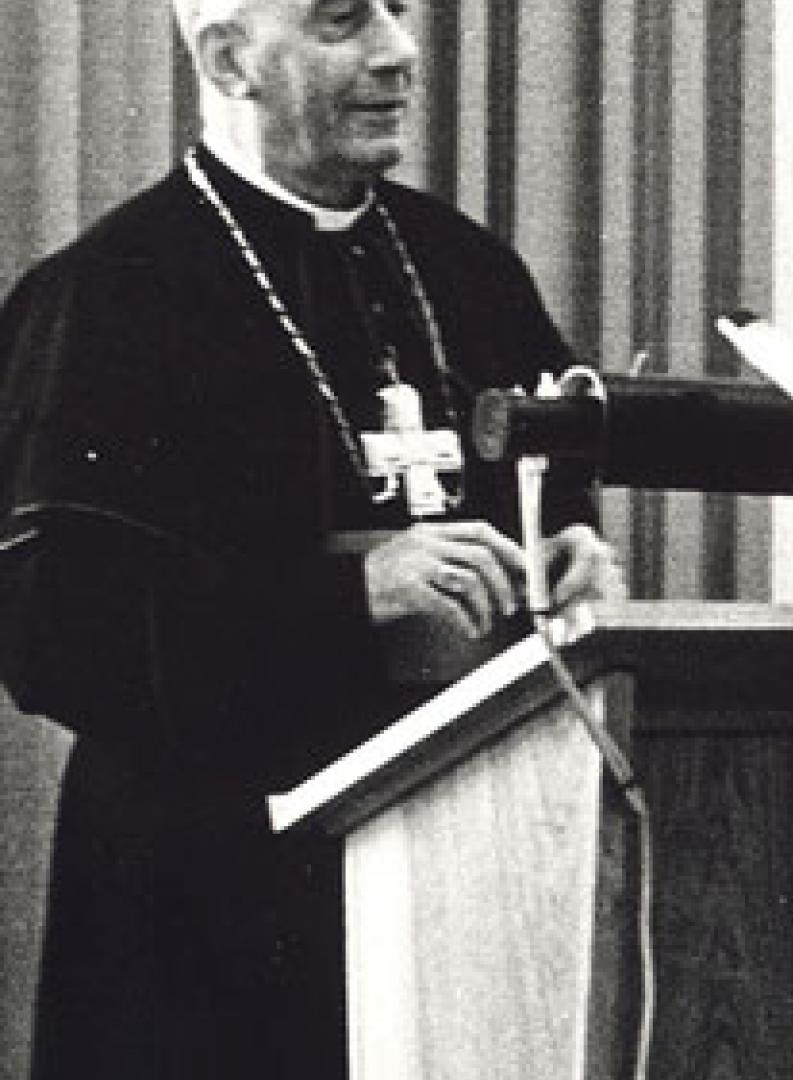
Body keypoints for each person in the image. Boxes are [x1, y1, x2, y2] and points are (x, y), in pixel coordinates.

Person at [0, 2, 619, 1077]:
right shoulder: (109, 292)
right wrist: (352, 596)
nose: (398, 51)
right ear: (230, 58)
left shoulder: (465, 267)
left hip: (464, 878)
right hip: (202, 914)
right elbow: (51, 629)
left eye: (396, 12)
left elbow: (557, 495)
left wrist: (572, 557)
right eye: (343, 21)